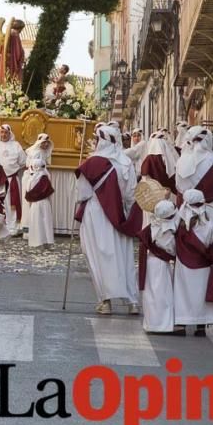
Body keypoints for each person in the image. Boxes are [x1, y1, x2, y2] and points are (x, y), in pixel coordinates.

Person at [75, 124, 141, 315]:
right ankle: (132, 301)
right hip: (119, 214)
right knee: (123, 257)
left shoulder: (91, 163)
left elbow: (83, 193)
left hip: (96, 214)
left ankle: (105, 300)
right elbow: (131, 195)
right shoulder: (126, 162)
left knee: (98, 256)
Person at [175, 126, 213, 315]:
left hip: (188, 213)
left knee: (189, 255)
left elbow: (179, 187)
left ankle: (190, 301)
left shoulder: (182, 161)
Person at [173, 189, 213, 337]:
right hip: (203, 266)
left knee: (182, 292)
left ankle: (181, 323)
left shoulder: (180, 224)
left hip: (184, 266)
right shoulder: (209, 224)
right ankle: (201, 325)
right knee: (201, 293)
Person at [138, 200, 181, 335]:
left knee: (151, 295)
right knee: (163, 295)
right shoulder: (167, 231)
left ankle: (152, 323)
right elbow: (172, 250)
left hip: (151, 262)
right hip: (161, 265)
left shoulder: (153, 226)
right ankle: (163, 325)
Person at [0, 124, 27, 237]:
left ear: (9, 133)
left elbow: (23, 161)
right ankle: (0, 226)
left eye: (6, 132)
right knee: (0, 203)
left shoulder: (16, 145)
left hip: (12, 179)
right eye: (1, 132)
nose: (4, 135)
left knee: (12, 204)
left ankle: (13, 227)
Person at [23, 154, 55, 248]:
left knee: (39, 222)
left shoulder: (38, 178)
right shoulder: (40, 177)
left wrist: (31, 198)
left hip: (38, 203)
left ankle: (40, 241)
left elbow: (32, 192)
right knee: (41, 221)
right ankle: (42, 241)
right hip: (41, 203)